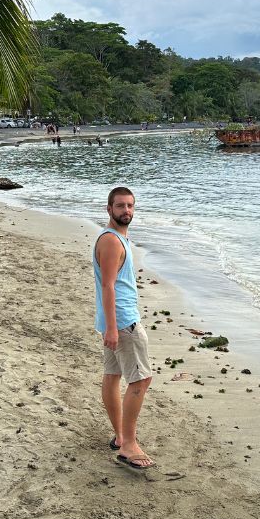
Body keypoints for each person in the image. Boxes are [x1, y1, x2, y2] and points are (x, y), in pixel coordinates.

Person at [93, 187, 154, 469]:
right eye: (120, 206)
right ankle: (128, 444)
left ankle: (120, 437)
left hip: (115, 321)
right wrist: (114, 328)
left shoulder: (119, 238)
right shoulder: (111, 241)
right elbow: (107, 286)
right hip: (123, 321)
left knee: (113, 374)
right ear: (109, 209)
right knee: (140, 380)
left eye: (130, 206)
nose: (126, 211)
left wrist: (109, 326)